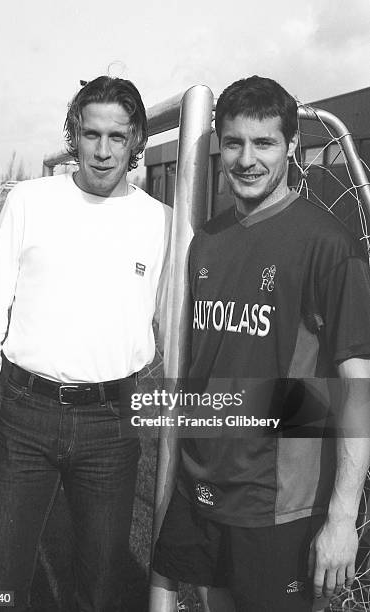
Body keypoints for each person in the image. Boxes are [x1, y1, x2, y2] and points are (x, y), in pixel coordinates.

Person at [151, 75, 370, 612]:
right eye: (234, 142)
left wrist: (342, 517)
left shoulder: (328, 246)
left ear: (293, 146)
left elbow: (359, 391)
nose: (247, 159)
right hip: (202, 485)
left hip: (280, 506)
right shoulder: (207, 240)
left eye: (265, 142)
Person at [0, 75, 171, 612]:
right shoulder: (30, 201)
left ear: (136, 140)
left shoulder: (161, 222)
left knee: (99, 585)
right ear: (74, 135)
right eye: (90, 134)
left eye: (116, 137)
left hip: (111, 423)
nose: (102, 151)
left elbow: (176, 325)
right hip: (26, 417)